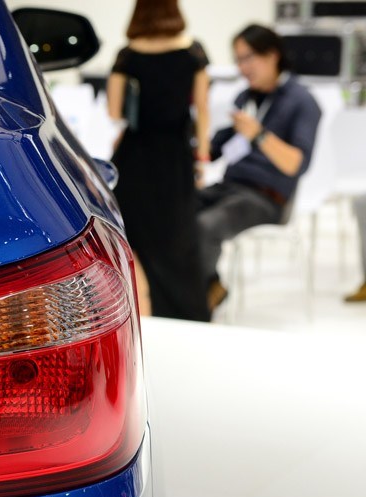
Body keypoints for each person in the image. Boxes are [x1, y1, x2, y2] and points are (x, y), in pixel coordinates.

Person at [199, 24, 321, 311]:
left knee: (205, 225)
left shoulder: (302, 102)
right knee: (174, 210)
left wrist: (259, 135)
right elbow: (216, 148)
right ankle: (207, 286)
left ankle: (201, 299)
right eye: (238, 60)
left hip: (267, 198)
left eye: (248, 58)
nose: (242, 68)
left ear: (272, 55)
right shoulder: (246, 98)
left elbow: (295, 164)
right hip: (229, 188)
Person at [108, 0, 211, 321]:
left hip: (135, 158)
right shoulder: (193, 52)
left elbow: (114, 110)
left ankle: (145, 317)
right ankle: (191, 317)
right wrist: (202, 155)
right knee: (178, 240)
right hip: (174, 159)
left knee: (135, 238)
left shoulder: (127, 55)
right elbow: (203, 109)